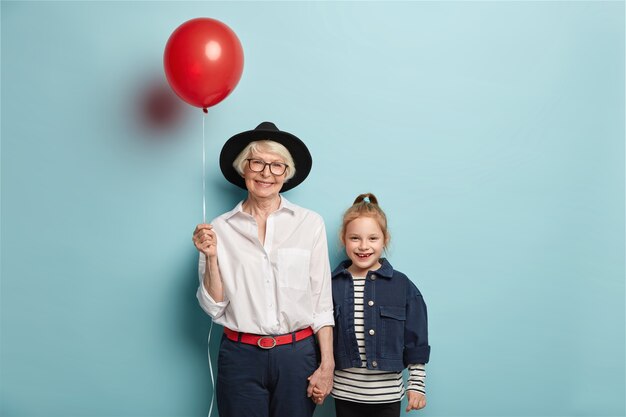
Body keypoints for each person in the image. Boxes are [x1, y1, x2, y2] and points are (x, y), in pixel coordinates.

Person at [191, 122, 334, 417]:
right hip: (240, 356)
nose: (266, 173)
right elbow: (214, 308)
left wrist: (327, 365)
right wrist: (212, 258)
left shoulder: (309, 223)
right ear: (244, 169)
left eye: (277, 165)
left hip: (298, 355)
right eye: (257, 163)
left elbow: (322, 303)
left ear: (287, 173)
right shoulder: (219, 229)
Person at [321, 193, 431, 417]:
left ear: (385, 240)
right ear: (344, 239)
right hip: (345, 393)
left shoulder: (402, 285)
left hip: (387, 396)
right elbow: (322, 334)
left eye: (372, 238)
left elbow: (416, 338)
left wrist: (416, 385)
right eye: (355, 238)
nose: (363, 246)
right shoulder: (330, 284)